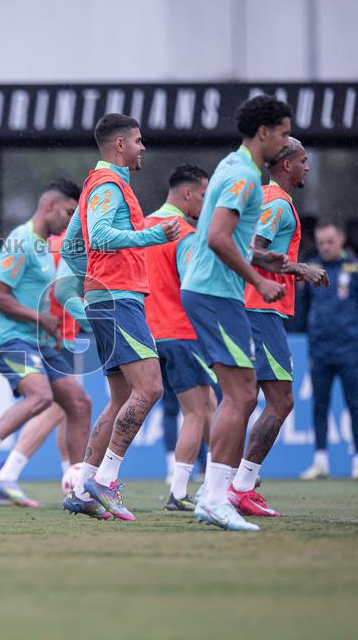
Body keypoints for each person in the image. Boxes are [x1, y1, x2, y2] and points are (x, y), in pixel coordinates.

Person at [59, 114, 181, 522]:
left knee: (120, 398)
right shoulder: (108, 184)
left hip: (107, 298)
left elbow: (72, 247)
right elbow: (99, 236)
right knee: (150, 389)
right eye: (138, 140)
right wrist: (152, 236)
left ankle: (83, 488)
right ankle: (106, 480)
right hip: (117, 299)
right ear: (119, 145)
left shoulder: (98, 185)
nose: (143, 147)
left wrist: (90, 285)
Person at [180, 94, 292, 532]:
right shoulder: (244, 176)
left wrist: (261, 260)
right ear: (264, 132)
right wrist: (258, 281)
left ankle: (214, 496)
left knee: (241, 395)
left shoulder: (232, 164)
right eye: (283, 133)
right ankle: (214, 498)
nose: (286, 142)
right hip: (214, 293)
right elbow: (217, 237)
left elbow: (224, 236)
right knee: (242, 396)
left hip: (211, 291)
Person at [0, 180, 91, 508]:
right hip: (10, 341)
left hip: (40, 342)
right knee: (41, 397)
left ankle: (82, 489)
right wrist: (41, 319)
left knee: (79, 404)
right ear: (49, 206)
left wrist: (54, 327)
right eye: (68, 212)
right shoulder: (21, 241)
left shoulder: (46, 246)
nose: (70, 222)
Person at [230, 138, 329, 517]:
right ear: (286, 165)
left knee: (243, 400)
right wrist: (298, 267)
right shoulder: (276, 203)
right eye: (303, 161)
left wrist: (291, 270)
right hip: (259, 312)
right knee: (280, 400)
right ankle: (239, 486)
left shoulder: (270, 199)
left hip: (256, 310)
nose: (307, 167)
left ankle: (226, 483)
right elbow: (248, 249)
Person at [143, 164, 219, 511]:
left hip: (149, 334)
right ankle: (178, 491)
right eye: (204, 195)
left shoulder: (142, 227)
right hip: (182, 332)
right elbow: (193, 287)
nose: (206, 202)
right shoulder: (184, 234)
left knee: (208, 405)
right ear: (188, 193)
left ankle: (225, 476)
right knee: (195, 412)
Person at [297, 221, 358, 480]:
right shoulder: (311, 270)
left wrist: (352, 330)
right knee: (319, 404)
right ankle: (320, 461)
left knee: (353, 402)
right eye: (321, 242)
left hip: (349, 348)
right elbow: (303, 308)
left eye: (330, 241)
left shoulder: (357, 269)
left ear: (341, 239)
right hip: (319, 349)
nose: (325, 247)